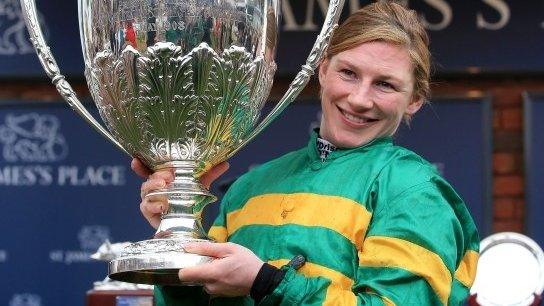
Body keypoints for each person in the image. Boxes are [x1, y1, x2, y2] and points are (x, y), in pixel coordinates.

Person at [132, 1, 480, 305]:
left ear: (414, 100)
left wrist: (265, 282)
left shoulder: (415, 191)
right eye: (349, 73)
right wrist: (178, 237)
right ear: (323, 69)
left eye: (385, 84)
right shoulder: (249, 187)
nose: (360, 98)